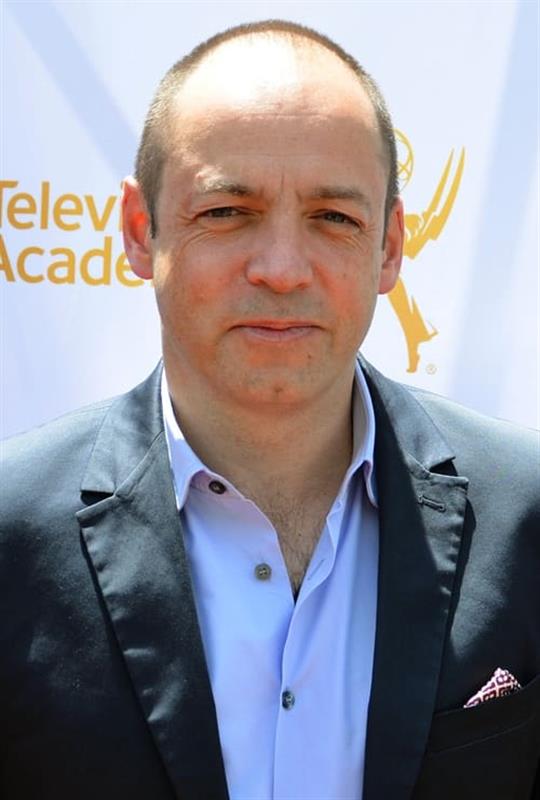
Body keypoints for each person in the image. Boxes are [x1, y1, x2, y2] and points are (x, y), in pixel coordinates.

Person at [1, 19, 538, 800]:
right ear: (140, 231)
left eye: (333, 218)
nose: (283, 268)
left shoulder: (526, 518)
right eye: (228, 211)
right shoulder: (11, 534)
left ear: (389, 246)